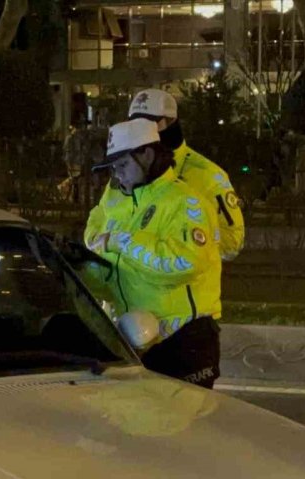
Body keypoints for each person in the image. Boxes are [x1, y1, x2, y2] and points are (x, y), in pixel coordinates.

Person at [83, 118, 223, 389]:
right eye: (113, 168)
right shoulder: (119, 202)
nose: (117, 175)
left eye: (123, 165)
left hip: (183, 341)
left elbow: (184, 262)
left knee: (181, 428)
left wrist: (122, 242)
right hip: (133, 338)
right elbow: (102, 252)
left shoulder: (185, 203)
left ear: (147, 155)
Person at [126, 88, 246, 261]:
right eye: (135, 125)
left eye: (150, 124)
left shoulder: (208, 175)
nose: (142, 132)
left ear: (171, 121)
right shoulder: (129, 171)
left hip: (184, 281)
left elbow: (233, 242)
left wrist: (189, 244)